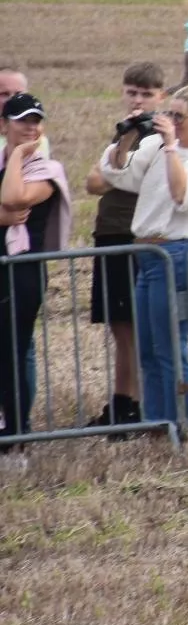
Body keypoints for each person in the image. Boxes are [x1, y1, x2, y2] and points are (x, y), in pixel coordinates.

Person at [101, 82, 188, 433]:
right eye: (168, 114)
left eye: (179, 116)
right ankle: (157, 425)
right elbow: (116, 172)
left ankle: (183, 422)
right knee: (147, 348)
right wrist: (129, 134)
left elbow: (182, 194)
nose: (169, 122)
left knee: (172, 347)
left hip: (179, 257)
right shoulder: (156, 147)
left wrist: (172, 146)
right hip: (148, 256)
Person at [82, 62, 168, 432]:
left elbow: (110, 178)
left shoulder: (156, 135)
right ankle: (123, 403)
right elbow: (93, 182)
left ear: (160, 96)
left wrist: (116, 168)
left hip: (133, 235)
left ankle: (132, 407)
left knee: (133, 327)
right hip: (109, 232)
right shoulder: (125, 132)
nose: (138, 99)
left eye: (147, 93)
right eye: (132, 92)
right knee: (120, 327)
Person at [2, 94, 71, 441]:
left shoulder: (47, 167)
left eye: (36, 120)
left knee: (12, 351)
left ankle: (17, 434)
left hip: (22, 272)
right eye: (22, 120)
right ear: (5, 125)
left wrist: (16, 154)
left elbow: (15, 198)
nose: (31, 126)